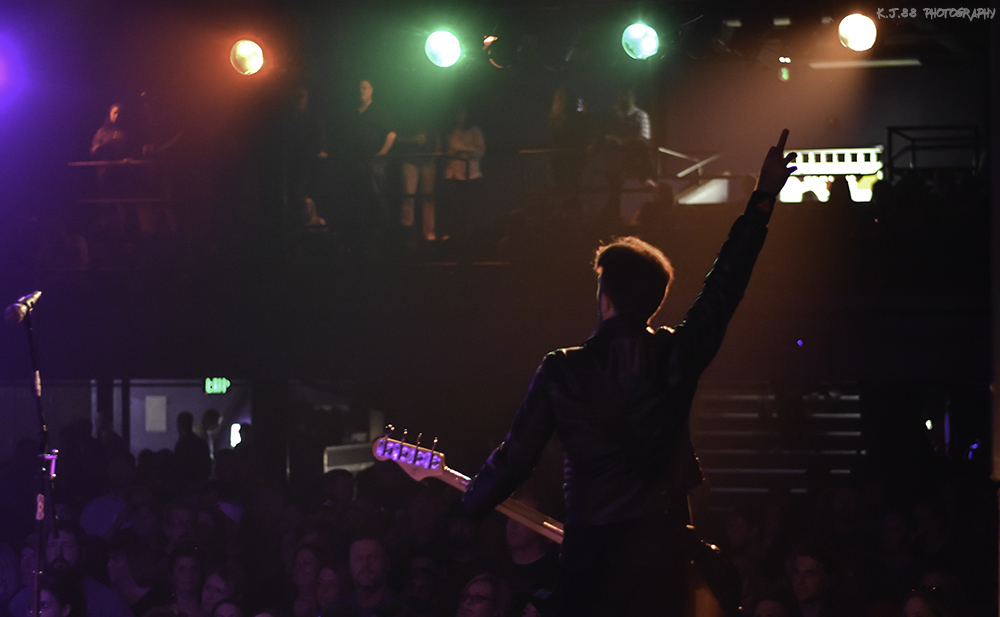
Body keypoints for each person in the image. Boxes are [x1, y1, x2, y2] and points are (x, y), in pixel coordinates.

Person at [461, 130, 798, 617]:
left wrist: (468, 505)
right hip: (658, 549)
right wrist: (763, 199)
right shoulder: (676, 355)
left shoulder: (563, 369)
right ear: (655, 299)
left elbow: (517, 456)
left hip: (589, 548)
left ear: (604, 296)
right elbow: (725, 287)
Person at [602, 88, 656, 222]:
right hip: (614, 160)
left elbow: (644, 139)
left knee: (615, 192)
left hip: (633, 159)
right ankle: (612, 219)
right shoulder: (611, 114)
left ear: (633, 98)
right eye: (622, 95)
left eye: (627, 96)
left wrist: (623, 141)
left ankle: (647, 178)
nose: (624, 99)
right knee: (614, 193)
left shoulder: (640, 115)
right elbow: (604, 135)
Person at [442, 106, 485, 242]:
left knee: (469, 206)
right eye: (456, 114)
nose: (458, 116)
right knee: (454, 206)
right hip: (454, 174)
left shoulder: (475, 131)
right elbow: (451, 150)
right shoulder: (452, 131)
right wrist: (465, 150)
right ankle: (454, 234)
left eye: (460, 113)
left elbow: (480, 151)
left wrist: (462, 150)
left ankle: (470, 234)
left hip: (471, 175)